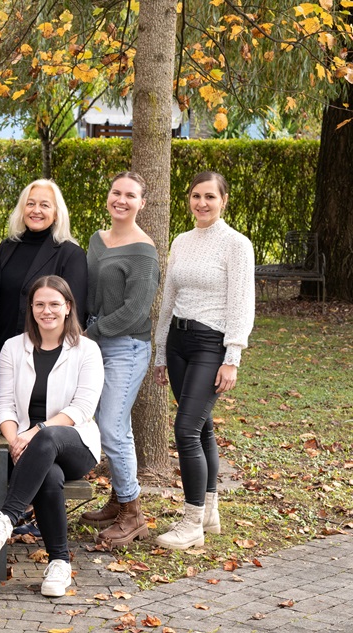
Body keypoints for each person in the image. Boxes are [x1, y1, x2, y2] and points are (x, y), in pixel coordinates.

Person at [0, 275, 104, 598]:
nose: (47, 311)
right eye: (40, 304)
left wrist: (33, 433)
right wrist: (14, 439)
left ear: (68, 307)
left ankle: (5, 518)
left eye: (54, 304)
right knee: (49, 474)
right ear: (31, 308)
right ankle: (60, 563)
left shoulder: (87, 350)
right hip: (26, 448)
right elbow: (1, 405)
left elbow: (83, 408)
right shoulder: (13, 348)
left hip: (76, 443)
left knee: (47, 439)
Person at [152, 171, 255, 550]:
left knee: (185, 429)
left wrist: (233, 357)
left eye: (210, 196)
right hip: (179, 342)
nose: (202, 203)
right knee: (202, 427)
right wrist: (162, 351)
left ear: (223, 200)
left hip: (211, 345)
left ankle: (191, 521)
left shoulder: (236, 245)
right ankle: (210, 510)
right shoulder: (181, 241)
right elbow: (168, 300)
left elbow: (242, 303)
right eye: (196, 196)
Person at [78, 172, 160, 547]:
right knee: (111, 425)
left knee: (111, 426)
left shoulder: (144, 251)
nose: (121, 200)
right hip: (93, 342)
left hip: (125, 345)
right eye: (116, 192)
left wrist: (89, 333)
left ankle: (133, 514)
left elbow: (134, 311)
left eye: (131, 195)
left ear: (142, 203)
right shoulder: (97, 240)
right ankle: (118, 498)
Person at [0, 179, 87, 356]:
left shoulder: (71, 254)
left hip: (44, 352)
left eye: (45, 205)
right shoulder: (6, 248)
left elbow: (75, 314)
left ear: (56, 213)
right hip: (1, 349)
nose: (36, 210)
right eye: (30, 204)